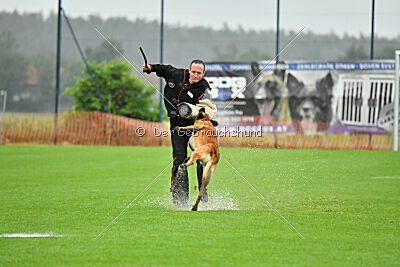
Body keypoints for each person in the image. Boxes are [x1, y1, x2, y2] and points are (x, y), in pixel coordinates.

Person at [143, 59, 212, 206]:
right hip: (176, 125)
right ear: (189, 70)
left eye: (199, 73)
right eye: (193, 72)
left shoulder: (204, 88)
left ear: (203, 74)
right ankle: (179, 197)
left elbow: (207, 109)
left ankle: (202, 188)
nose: (195, 75)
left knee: (202, 156)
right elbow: (163, 69)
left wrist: (198, 112)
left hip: (194, 125)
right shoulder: (176, 74)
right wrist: (150, 68)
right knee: (179, 160)